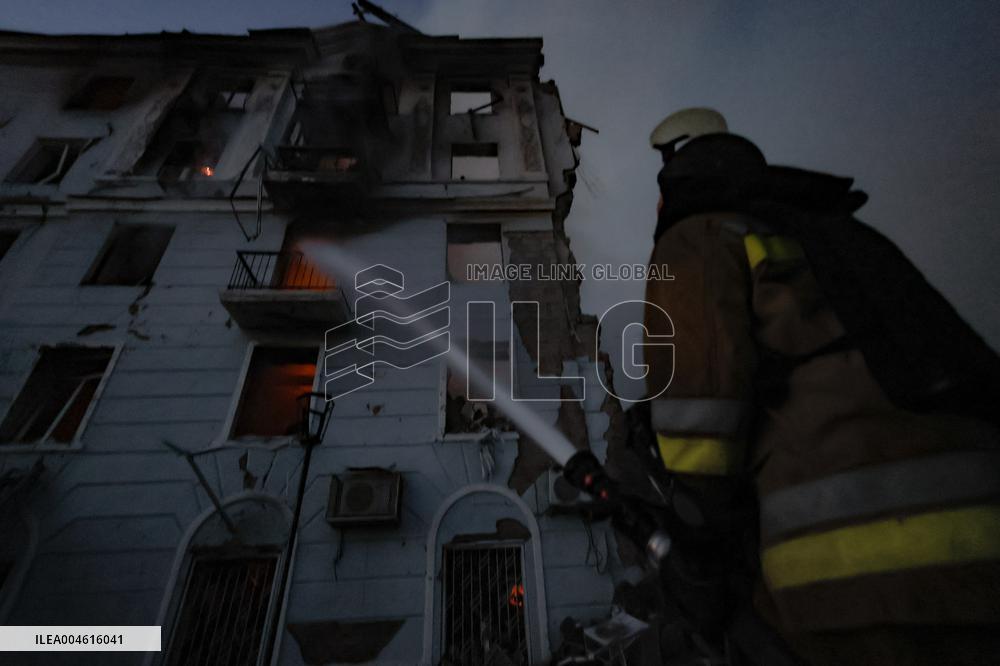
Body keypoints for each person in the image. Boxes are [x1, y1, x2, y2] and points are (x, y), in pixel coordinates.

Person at [640, 108, 1000, 665]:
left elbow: (699, 419)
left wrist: (694, 540)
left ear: (673, 181)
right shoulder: (837, 232)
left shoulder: (700, 232)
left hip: (855, 573)